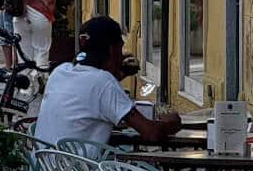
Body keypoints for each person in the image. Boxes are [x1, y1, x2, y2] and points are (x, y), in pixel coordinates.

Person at [34, 15, 180, 150]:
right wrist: (171, 122)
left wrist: (120, 73)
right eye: (120, 48)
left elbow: (88, 92)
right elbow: (151, 133)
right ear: (113, 49)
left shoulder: (60, 72)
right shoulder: (104, 82)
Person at [9, 0, 56, 73]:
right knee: (41, 51)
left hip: (20, 19)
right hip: (41, 19)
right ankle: (40, 80)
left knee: (24, 55)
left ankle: (26, 87)